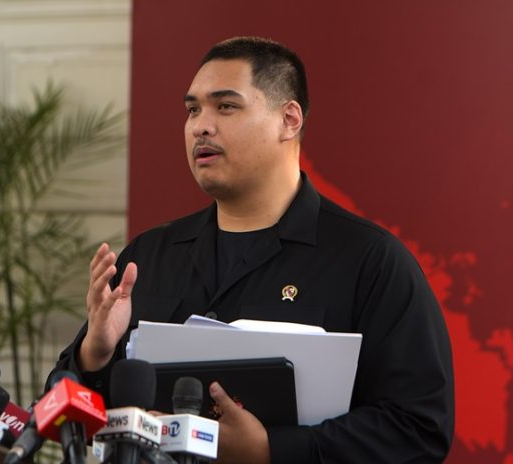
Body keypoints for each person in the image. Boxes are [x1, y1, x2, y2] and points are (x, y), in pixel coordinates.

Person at [50, 36, 454, 463]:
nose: (201, 127)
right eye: (193, 110)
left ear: (289, 120)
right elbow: (61, 416)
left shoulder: (369, 261)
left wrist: (271, 450)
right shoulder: (149, 256)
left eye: (225, 106)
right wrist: (94, 353)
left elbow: (419, 428)